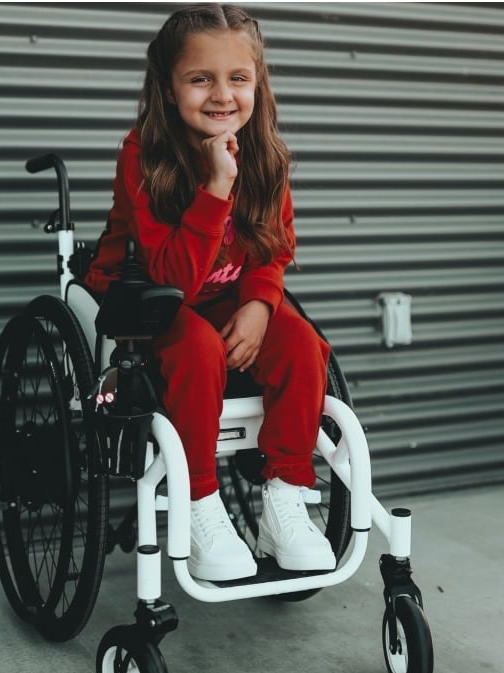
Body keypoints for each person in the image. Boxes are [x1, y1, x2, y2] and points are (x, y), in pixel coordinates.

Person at [86, 4, 333, 582]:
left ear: (257, 84)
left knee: (300, 346)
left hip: (224, 295)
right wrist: (218, 185)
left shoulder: (264, 152)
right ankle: (199, 502)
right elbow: (172, 273)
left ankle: (285, 495)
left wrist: (259, 303)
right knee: (196, 348)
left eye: (238, 78)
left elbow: (273, 247)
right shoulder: (144, 153)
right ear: (169, 89)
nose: (222, 95)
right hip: (144, 296)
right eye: (201, 78)